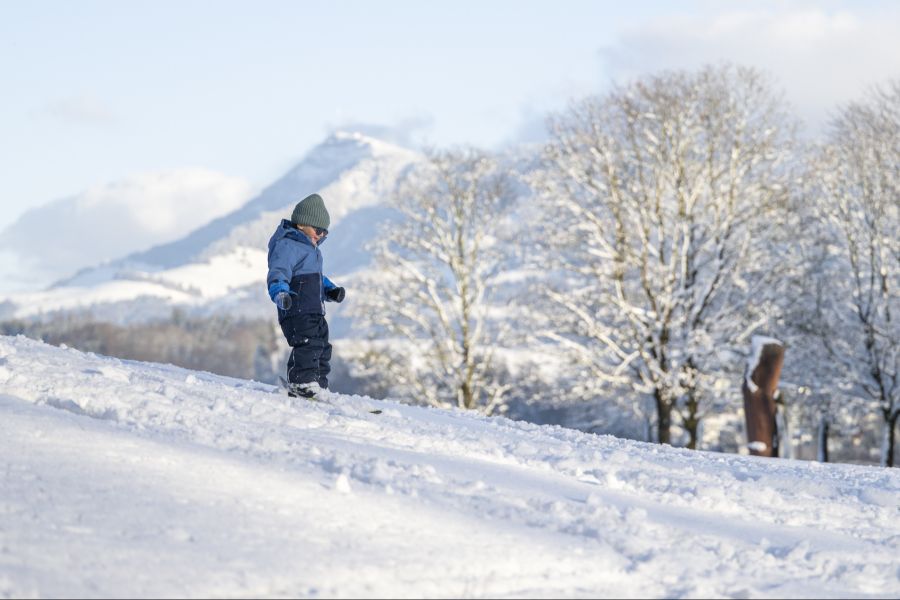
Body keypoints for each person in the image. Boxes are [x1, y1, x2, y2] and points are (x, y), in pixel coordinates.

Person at [266, 193, 346, 398]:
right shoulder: (288, 246)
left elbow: (317, 278)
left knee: (322, 346)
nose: (320, 236)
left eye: (324, 233)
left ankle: (317, 384)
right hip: (295, 308)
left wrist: (330, 290)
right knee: (308, 343)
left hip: (313, 310)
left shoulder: (310, 250)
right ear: (302, 225)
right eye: (318, 230)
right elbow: (278, 273)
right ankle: (302, 383)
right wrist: (280, 293)